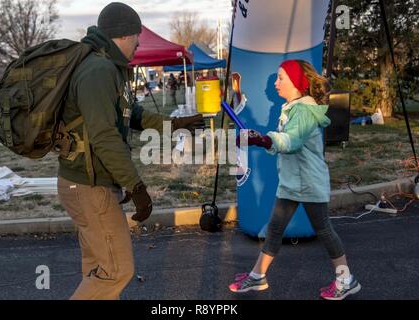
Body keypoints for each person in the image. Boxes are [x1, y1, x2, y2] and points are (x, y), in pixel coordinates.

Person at [57, 2, 204, 300]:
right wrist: (135, 185)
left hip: (86, 181)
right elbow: (105, 136)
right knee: (116, 270)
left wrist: (175, 124)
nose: (139, 43)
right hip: (90, 185)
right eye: (137, 35)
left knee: (99, 268)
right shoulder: (98, 70)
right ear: (124, 34)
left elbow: (132, 115)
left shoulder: (108, 67)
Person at [230, 59, 361, 300]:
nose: (276, 82)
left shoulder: (302, 111)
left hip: (309, 183)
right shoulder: (292, 108)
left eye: (280, 78)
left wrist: (263, 140)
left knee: (324, 232)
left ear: (296, 83)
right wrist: (261, 138)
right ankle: (257, 276)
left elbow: (291, 142)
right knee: (275, 229)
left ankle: (346, 279)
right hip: (293, 182)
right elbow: (285, 138)